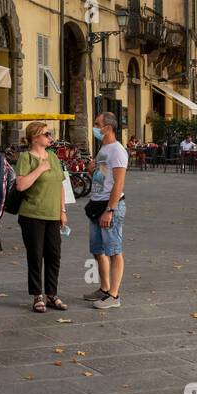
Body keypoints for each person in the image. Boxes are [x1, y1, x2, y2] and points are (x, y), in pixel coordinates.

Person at [15, 120, 69, 314]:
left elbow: (61, 185)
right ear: (35, 137)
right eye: (47, 134)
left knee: (54, 255)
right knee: (36, 256)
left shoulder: (53, 157)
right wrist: (39, 169)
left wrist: (62, 211)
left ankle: (52, 294)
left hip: (53, 214)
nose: (50, 137)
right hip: (32, 214)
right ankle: (37, 295)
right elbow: (20, 185)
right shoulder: (26, 158)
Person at [83, 111, 128, 309]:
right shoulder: (104, 148)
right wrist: (92, 170)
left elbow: (118, 184)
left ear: (107, 128)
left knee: (114, 250)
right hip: (96, 203)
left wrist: (110, 210)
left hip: (110, 206)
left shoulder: (117, 151)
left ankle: (114, 295)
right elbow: (104, 176)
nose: (95, 127)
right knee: (97, 250)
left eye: (97, 124)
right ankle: (104, 288)